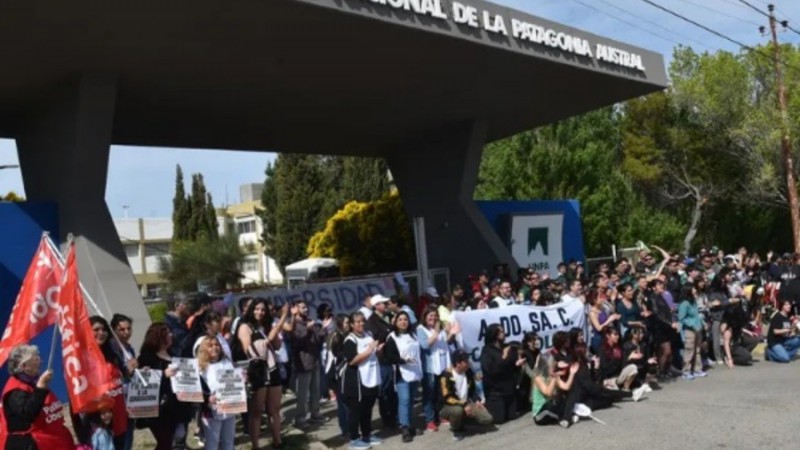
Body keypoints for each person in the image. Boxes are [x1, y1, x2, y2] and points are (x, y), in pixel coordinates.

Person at [237, 299, 290, 449]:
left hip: (272, 368)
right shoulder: (245, 327)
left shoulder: (267, 326)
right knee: (257, 411)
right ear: (251, 310)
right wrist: (282, 320)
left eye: (263, 310)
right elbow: (251, 350)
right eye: (257, 309)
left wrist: (275, 329)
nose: (259, 312)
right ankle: (255, 445)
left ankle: (277, 441)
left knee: (274, 409)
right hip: (257, 370)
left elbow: (277, 345)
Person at [0, 345, 75, 450]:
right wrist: (40, 388)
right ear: (24, 366)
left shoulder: (33, 383)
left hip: (55, 440)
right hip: (30, 444)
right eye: (35, 358)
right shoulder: (15, 390)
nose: (40, 361)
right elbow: (28, 413)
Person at [137, 323, 190, 450]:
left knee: (176, 439)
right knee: (165, 441)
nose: (171, 335)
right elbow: (142, 380)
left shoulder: (174, 355)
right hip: (159, 409)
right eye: (167, 333)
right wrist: (162, 374)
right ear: (158, 337)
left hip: (177, 406)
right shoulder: (146, 357)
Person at [341, 312, 383, 450]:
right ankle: (353, 438)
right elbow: (352, 360)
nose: (361, 324)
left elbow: (372, 354)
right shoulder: (350, 340)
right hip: (356, 382)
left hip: (371, 378)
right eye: (357, 322)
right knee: (355, 411)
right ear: (352, 325)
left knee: (367, 409)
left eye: (362, 321)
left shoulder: (369, 335)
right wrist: (369, 350)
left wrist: (377, 350)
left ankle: (367, 434)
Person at [86, 316, 129, 450]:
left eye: (104, 329)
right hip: (100, 420)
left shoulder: (113, 354)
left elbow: (123, 377)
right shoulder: (82, 358)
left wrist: (130, 370)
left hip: (118, 415)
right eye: (96, 329)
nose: (101, 333)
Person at [289, 299, 330, 428]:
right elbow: (297, 343)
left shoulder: (310, 321)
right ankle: (300, 418)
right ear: (295, 309)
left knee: (315, 391)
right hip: (303, 363)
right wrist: (308, 330)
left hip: (315, 361)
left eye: (306, 307)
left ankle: (315, 414)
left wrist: (323, 329)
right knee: (303, 393)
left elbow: (319, 338)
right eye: (302, 307)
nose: (305, 310)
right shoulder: (293, 325)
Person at [417, 307, 458, 432]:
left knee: (441, 393)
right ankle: (430, 420)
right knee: (429, 394)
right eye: (430, 315)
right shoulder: (421, 329)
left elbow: (446, 344)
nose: (433, 318)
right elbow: (425, 345)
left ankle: (441, 416)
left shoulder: (440, 329)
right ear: (424, 317)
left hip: (442, 366)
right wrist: (436, 332)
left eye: (435, 316)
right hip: (430, 368)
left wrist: (451, 333)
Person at [384, 311, 423, 442]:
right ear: (396, 322)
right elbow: (390, 356)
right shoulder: (392, 337)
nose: (403, 322)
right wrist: (403, 360)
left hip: (414, 371)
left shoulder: (413, 335)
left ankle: (410, 424)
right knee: (404, 400)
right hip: (402, 373)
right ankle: (404, 427)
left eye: (405, 319)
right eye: (400, 319)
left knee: (411, 400)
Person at [439, 351, 493, 441]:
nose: (468, 363)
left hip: (466, 403)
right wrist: (464, 405)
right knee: (457, 411)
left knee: (488, 419)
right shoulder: (446, 376)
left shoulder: (468, 372)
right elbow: (447, 397)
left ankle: (462, 421)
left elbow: (472, 390)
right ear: (458, 364)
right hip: (449, 406)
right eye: (465, 361)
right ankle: (456, 429)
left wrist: (477, 401)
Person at [196, 337, 236, 450]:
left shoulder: (227, 362)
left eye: (217, 345)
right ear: (204, 349)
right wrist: (207, 398)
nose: (215, 347)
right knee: (212, 444)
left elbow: (234, 382)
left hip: (229, 408)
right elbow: (198, 391)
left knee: (228, 441)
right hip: (211, 411)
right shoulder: (200, 368)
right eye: (211, 345)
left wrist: (242, 378)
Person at [479, 324, 523, 424]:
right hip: (496, 392)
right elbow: (491, 371)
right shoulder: (487, 351)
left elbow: (512, 365)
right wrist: (503, 357)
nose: (504, 334)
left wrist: (517, 364)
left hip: (509, 390)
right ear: (495, 335)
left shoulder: (507, 347)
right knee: (498, 420)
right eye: (501, 332)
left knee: (512, 416)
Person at [366, 294, 397, 429]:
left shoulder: (390, 317)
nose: (386, 304)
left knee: (393, 389)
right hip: (382, 358)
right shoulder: (371, 321)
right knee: (385, 389)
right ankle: (387, 417)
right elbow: (376, 337)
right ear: (376, 305)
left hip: (393, 357)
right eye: (383, 303)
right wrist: (390, 328)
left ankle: (395, 415)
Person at [109, 314, 136, 450]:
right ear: (114, 330)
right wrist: (127, 370)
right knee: (120, 434)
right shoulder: (111, 348)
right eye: (122, 329)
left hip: (130, 396)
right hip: (117, 397)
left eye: (128, 329)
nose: (126, 332)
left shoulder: (129, 348)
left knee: (129, 432)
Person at [531, 353, 578, 426]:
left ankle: (566, 417)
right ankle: (565, 418)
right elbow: (548, 393)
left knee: (564, 399)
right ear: (545, 367)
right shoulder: (538, 378)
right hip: (540, 414)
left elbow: (566, 387)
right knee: (550, 405)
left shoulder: (554, 375)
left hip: (550, 409)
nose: (554, 367)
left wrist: (572, 374)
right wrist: (554, 378)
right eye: (552, 366)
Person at [325, 314, 351, 438]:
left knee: (347, 402)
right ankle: (345, 430)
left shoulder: (345, 335)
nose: (348, 325)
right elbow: (336, 358)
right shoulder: (337, 337)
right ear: (340, 323)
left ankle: (350, 427)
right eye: (346, 322)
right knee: (343, 404)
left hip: (342, 373)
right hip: (337, 374)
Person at [678, 283, 707, 379]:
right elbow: (681, 318)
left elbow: (696, 315)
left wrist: (702, 323)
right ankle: (686, 371)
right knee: (689, 350)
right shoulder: (684, 304)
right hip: (689, 330)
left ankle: (697, 369)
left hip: (698, 328)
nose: (695, 290)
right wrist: (692, 325)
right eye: (693, 289)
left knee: (697, 350)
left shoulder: (693, 301)